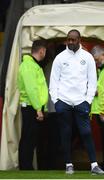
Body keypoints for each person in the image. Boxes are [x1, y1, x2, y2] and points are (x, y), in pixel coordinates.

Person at [49, 29, 104, 175]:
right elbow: (53, 82)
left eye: (73, 39)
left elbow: (93, 82)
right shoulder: (60, 58)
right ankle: (69, 164)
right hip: (64, 102)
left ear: (79, 40)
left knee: (86, 132)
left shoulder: (87, 57)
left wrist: (87, 101)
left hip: (82, 102)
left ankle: (94, 165)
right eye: (68, 39)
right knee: (66, 133)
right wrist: (56, 101)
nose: (70, 42)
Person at [17, 39, 49, 170]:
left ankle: (27, 166)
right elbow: (32, 89)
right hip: (31, 107)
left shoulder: (32, 65)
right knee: (28, 139)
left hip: (33, 107)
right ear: (41, 51)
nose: (45, 54)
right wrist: (38, 109)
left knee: (31, 138)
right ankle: (25, 167)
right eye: (45, 51)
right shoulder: (29, 66)